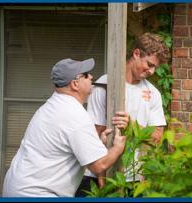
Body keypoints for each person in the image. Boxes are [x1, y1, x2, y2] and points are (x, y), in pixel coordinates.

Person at [2, 58, 127, 197]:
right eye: (86, 74)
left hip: (19, 187)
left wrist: (96, 144)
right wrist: (117, 148)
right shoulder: (75, 114)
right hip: (36, 193)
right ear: (75, 83)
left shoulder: (52, 105)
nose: (91, 76)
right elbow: (98, 165)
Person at [75, 32, 170, 197]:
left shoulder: (153, 93)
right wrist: (101, 180)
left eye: (156, 67)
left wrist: (132, 126)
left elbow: (156, 138)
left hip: (132, 179)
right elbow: (95, 135)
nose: (152, 71)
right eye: (149, 64)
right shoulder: (104, 85)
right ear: (136, 53)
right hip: (94, 178)